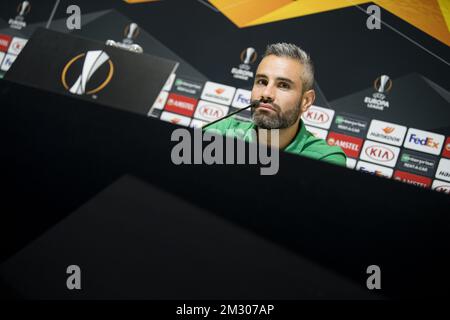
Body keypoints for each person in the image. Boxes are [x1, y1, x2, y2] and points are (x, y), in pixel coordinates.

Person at [204, 42, 346, 167]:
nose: (266, 93)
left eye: (283, 85)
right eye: (262, 82)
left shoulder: (325, 158)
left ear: (306, 101)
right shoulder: (221, 132)